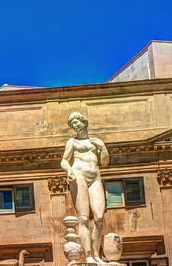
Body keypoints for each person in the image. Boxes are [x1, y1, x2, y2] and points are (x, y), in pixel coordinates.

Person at [61, 112, 110, 264]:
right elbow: (63, 160)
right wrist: (69, 170)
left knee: (99, 217)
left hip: (95, 177)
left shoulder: (96, 142)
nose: (75, 126)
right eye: (72, 124)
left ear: (84, 122)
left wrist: (102, 147)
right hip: (79, 175)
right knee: (83, 218)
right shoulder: (72, 142)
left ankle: (96, 254)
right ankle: (88, 255)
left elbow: (105, 162)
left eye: (77, 122)